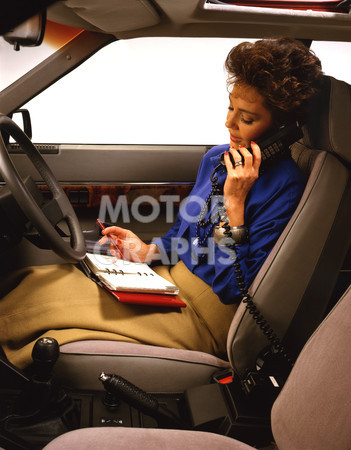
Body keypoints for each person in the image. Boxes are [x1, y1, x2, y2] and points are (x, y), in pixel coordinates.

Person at [0, 37, 323, 369]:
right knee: (33, 282)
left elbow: (232, 287)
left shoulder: (286, 190)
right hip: (168, 280)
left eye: (247, 118)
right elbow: (184, 237)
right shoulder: (217, 160)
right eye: (230, 108)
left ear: (279, 129)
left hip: (205, 317)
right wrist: (147, 252)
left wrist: (234, 205)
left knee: (29, 313)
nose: (229, 123)